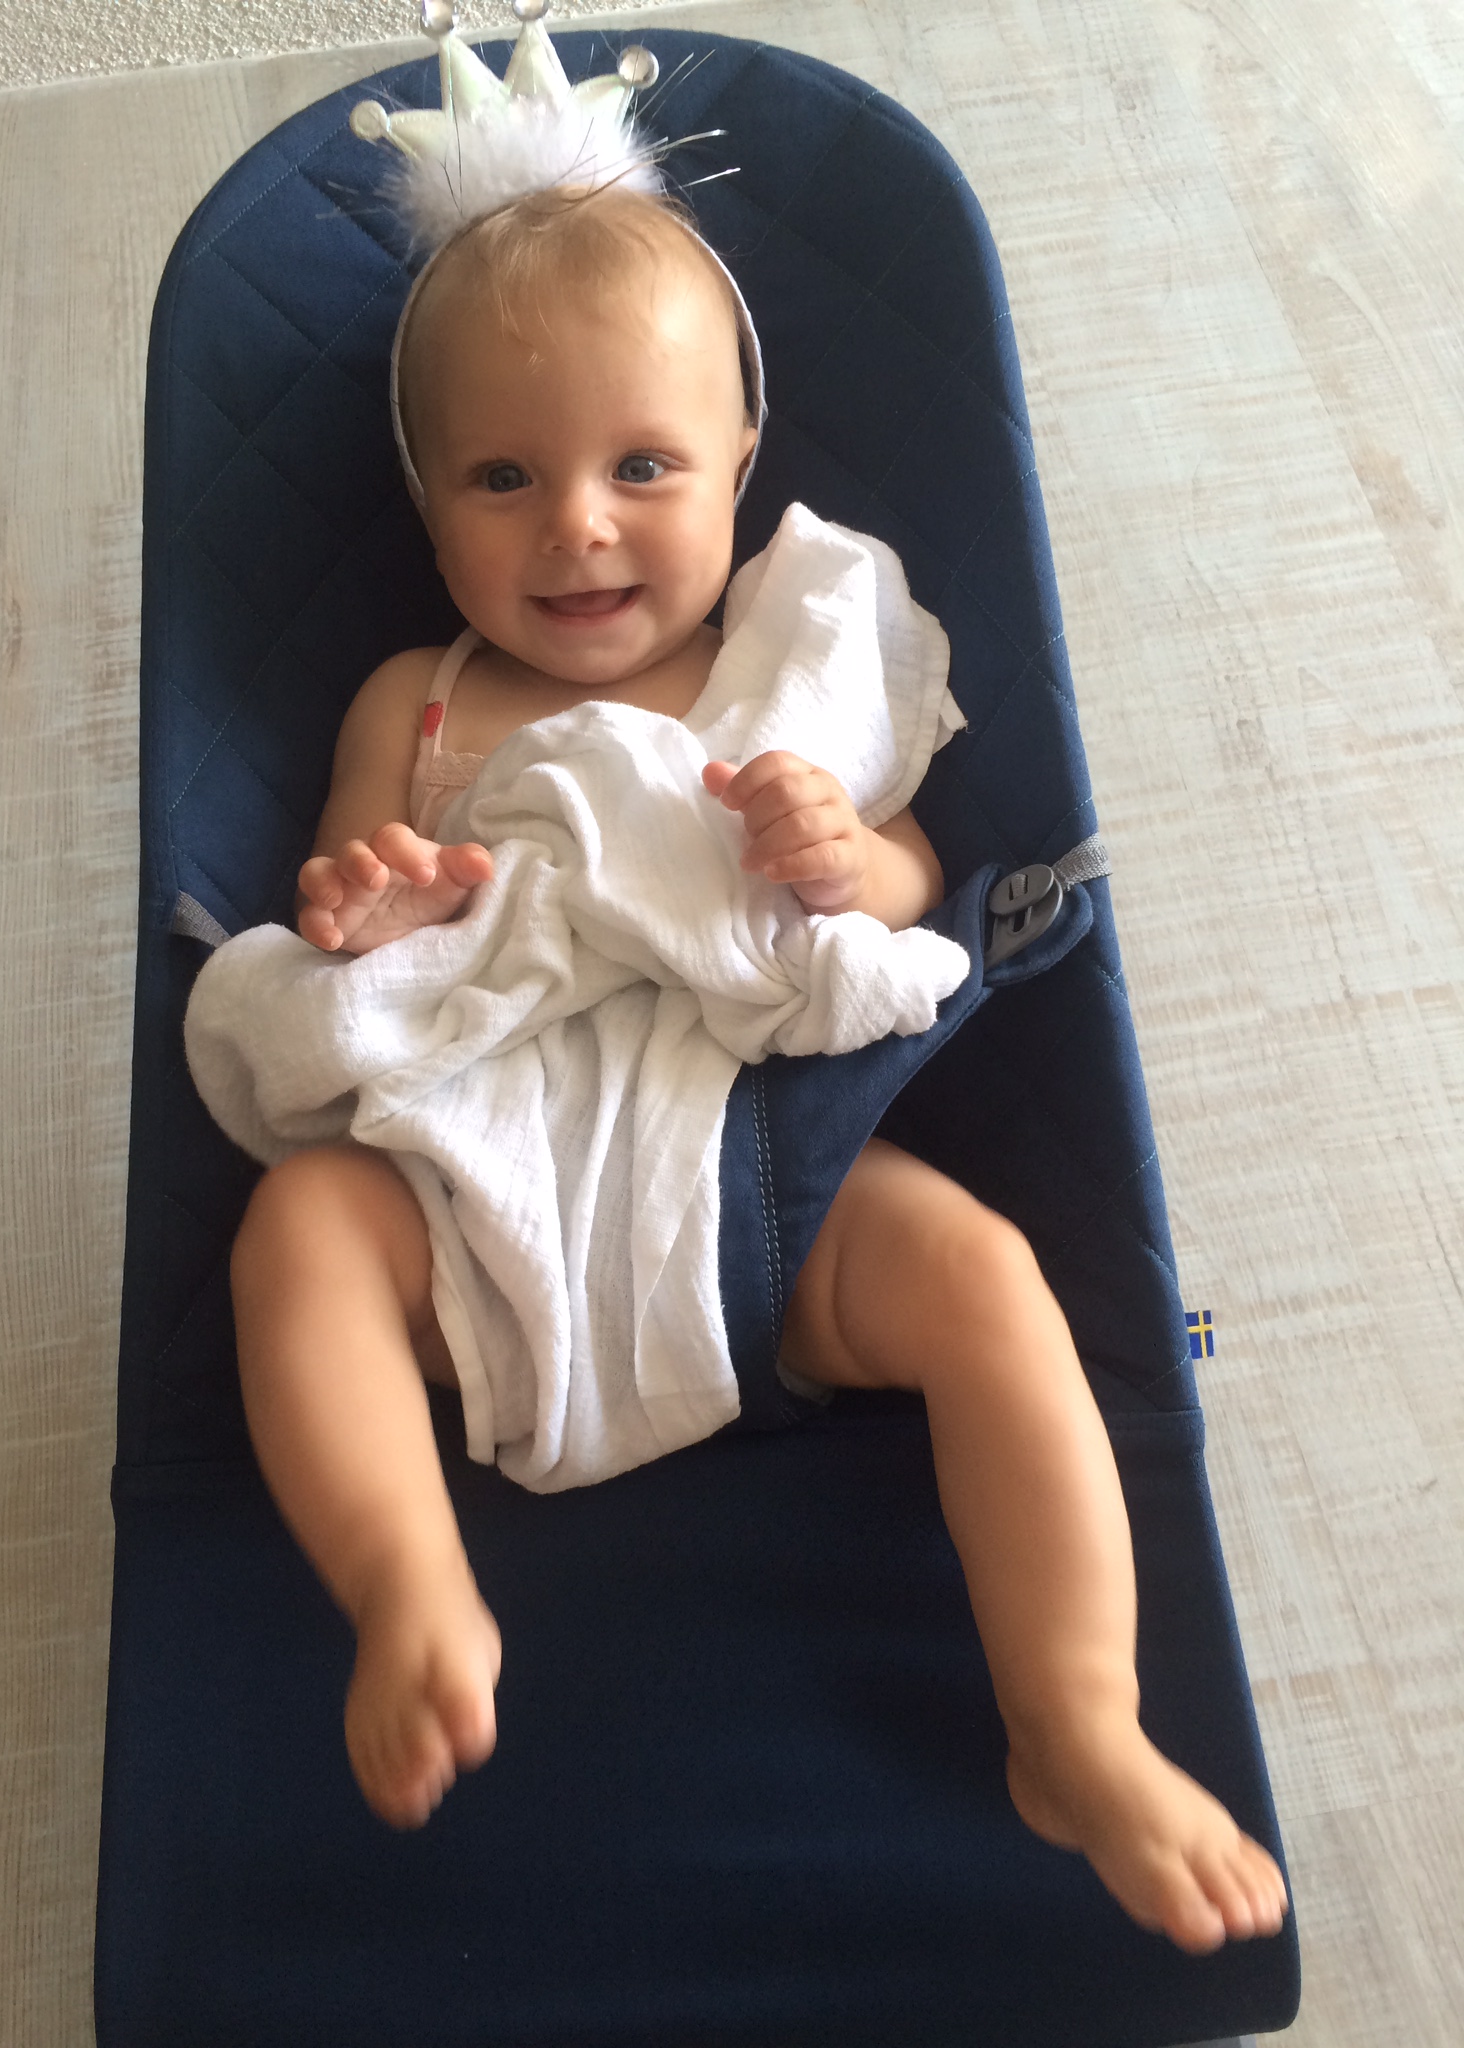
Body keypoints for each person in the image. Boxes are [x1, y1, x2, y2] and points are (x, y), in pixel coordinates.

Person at [224, 181, 1286, 1955]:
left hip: (754, 1182)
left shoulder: (793, 667)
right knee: (301, 1234)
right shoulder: (416, 697)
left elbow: (914, 890)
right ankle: (408, 1583)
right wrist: (373, 903)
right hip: (482, 1192)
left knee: (984, 1279)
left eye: (642, 466)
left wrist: (838, 854)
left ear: (738, 464)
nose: (578, 524)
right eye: (505, 477)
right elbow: (336, 909)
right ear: (427, 505)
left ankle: (1077, 1722)